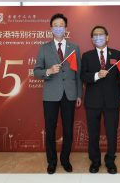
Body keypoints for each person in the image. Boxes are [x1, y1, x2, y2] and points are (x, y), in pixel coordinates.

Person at [34, 13, 82, 174]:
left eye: (61, 25)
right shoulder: (44, 48)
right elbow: (36, 71)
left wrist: (79, 95)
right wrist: (48, 71)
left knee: (68, 129)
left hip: (69, 94)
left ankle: (65, 160)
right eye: (55, 25)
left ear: (66, 28)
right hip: (50, 95)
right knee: (50, 129)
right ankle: (52, 161)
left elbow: (78, 74)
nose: (58, 28)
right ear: (51, 28)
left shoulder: (74, 47)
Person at [81, 25, 120, 174]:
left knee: (112, 133)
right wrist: (96, 75)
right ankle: (95, 161)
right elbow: (83, 76)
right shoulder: (87, 56)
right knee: (93, 133)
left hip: (112, 100)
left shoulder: (117, 54)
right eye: (95, 35)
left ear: (107, 37)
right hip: (93, 101)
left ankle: (110, 161)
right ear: (92, 39)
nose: (98, 37)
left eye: (101, 35)